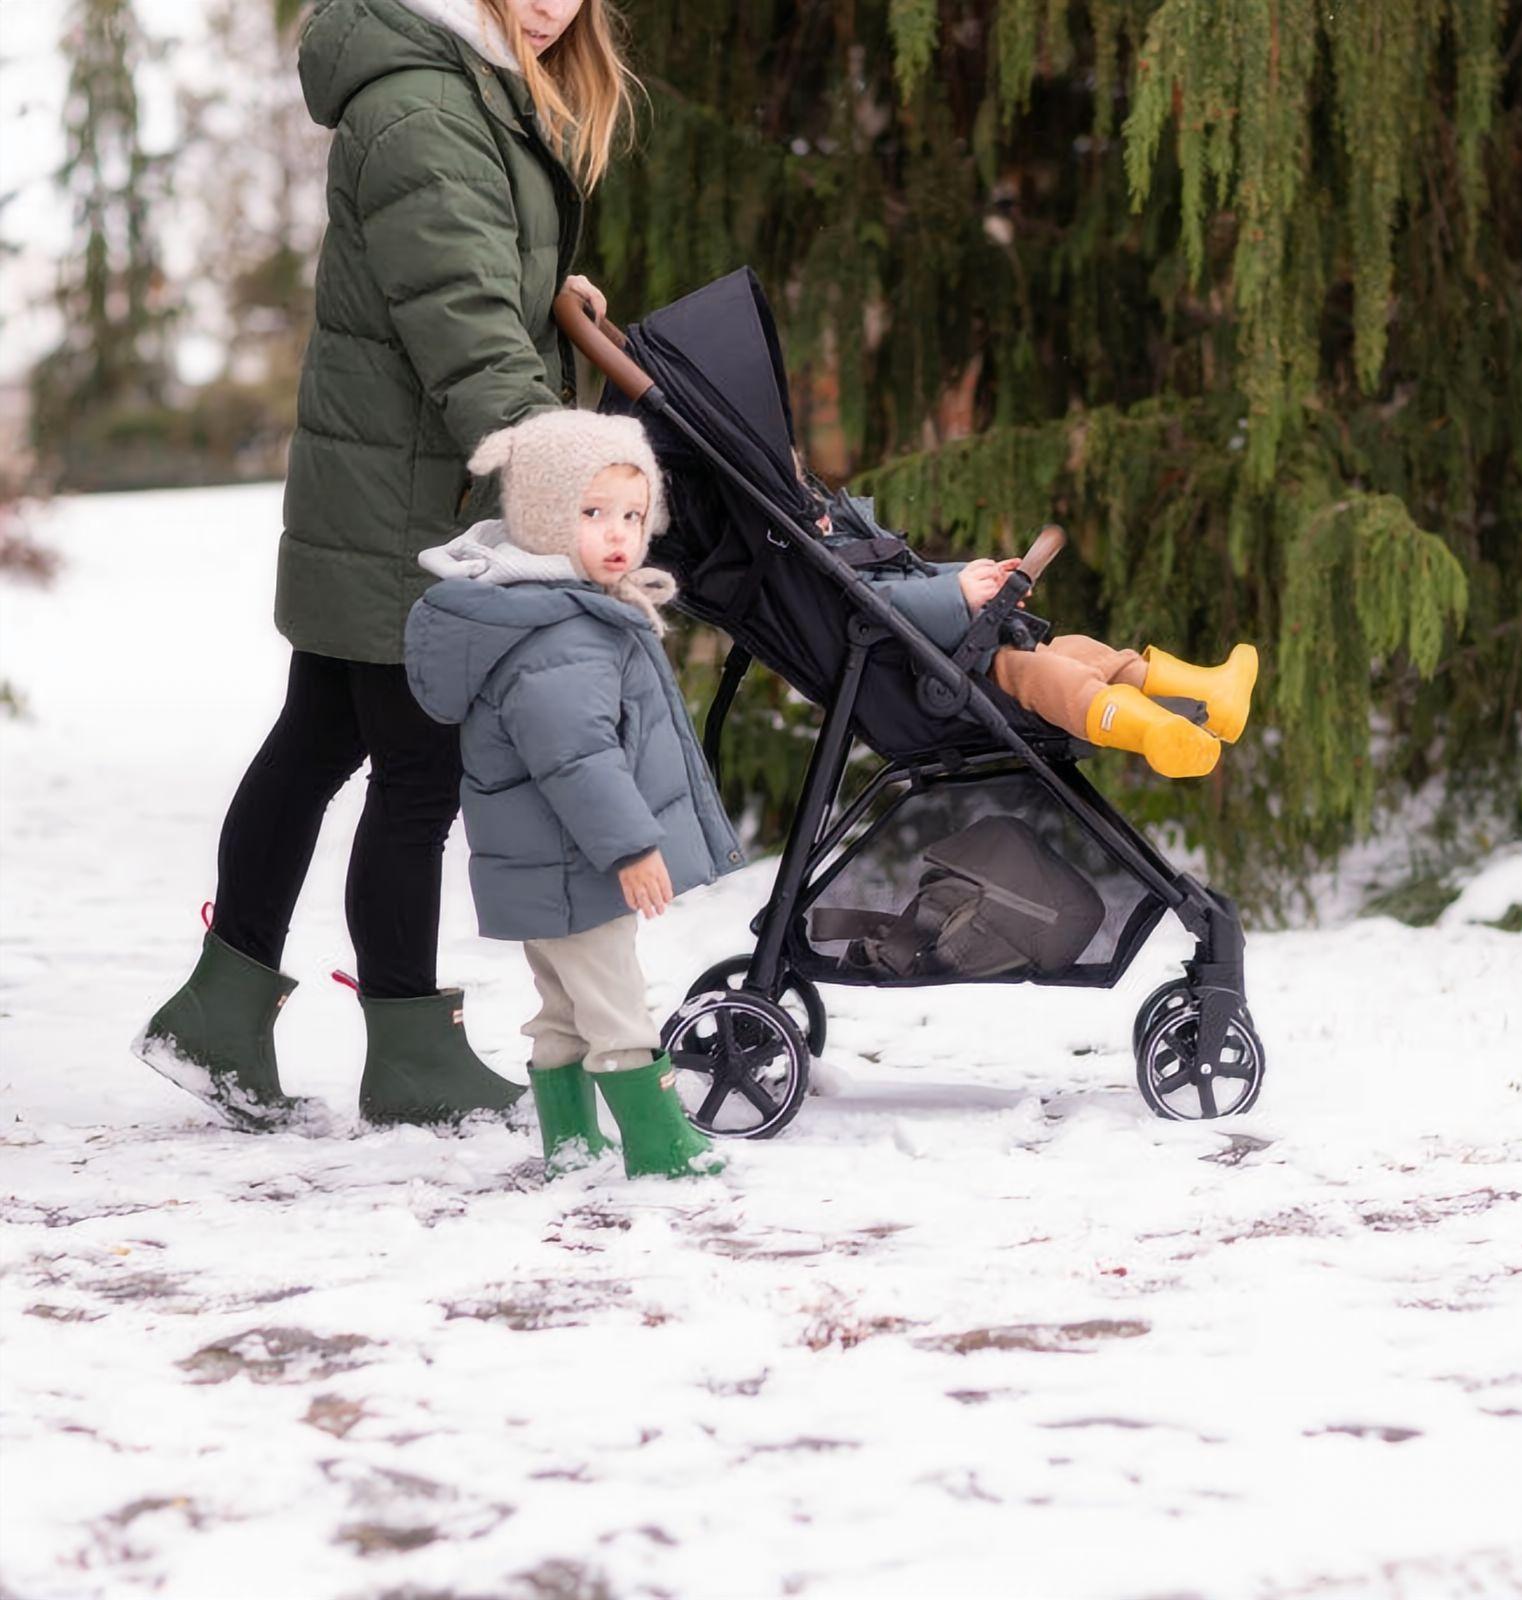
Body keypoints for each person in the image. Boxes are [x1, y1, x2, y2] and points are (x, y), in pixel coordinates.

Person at [135, 0, 639, 1129]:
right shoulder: (425, 104)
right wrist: (551, 466)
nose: (554, 7)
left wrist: (551, 296)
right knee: (417, 777)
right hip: (416, 497)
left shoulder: (449, 84)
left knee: (317, 736)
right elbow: (456, 317)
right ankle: (409, 1054)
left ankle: (216, 1016)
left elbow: (458, 272)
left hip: (388, 481)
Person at [405, 410, 744, 1180]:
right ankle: (660, 1147)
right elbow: (577, 759)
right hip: (578, 865)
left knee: (562, 1008)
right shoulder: (558, 634)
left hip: (549, 865)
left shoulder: (564, 611)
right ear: (542, 517)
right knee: (616, 1003)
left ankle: (569, 1143)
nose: (618, 534)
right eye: (592, 515)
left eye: (631, 514)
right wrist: (629, 847)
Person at [817, 488, 1258, 780]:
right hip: (953, 680)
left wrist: (973, 576)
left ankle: (1212, 695)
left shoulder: (851, 554)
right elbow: (889, 606)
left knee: (1080, 651)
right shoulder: (832, 574)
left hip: (969, 656)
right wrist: (960, 594)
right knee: (1049, 677)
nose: (821, 515)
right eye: (811, 511)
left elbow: (913, 582)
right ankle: (1153, 732)